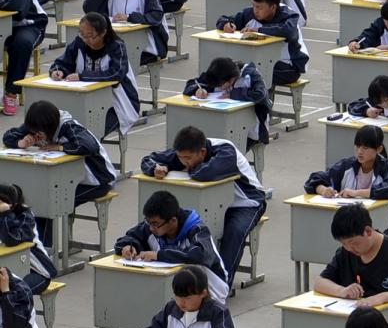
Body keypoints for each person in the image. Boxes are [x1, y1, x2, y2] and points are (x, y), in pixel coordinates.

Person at [141, 127, 266, 288]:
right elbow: (147, 159)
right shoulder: (185, 152)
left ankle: (223, 283)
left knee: (234, 231)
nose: (184, 162)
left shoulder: (225, 150)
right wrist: (155, 168)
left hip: (247, 202)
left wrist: (181, 167)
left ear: (202, 152)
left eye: (188, 158)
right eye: (180, 158)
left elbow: (205, 173)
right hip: (212, 200)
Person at [1, 99, 115, 240]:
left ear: (50, 126)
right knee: (40, 200)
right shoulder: (36, 125)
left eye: (39, 132)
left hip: (98, 181)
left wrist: (61, 147)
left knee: (48, 203)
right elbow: (8, 136)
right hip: (67, 180)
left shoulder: (69, 127)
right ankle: (39, 243)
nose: (36, 134)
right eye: (33, 130)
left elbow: (90, 146)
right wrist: (21, 142)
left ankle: (46, 247)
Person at [115, 191, 230, 301]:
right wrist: (127, 247)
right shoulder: (152, 227)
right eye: (149, 222)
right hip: (178, 289)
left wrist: (158, 255)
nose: (151, 228)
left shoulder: (198, 230)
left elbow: (198, 255)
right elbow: (129, 238)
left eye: (155, 224)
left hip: (212, 289)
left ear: (173, 221)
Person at [305, 124, 388, 239]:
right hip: (354, 226)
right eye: (357, 146)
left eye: (365, 148)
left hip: (387, 226)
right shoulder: (347, 165)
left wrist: (356, 193)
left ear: (379, 149)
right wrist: (323, 190)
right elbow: (313, 180)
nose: (360, 152)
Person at [49, 12, 140, 138]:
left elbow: (116, 74)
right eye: (83, 35)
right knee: (62, 129)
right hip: (83, 100)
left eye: (91, 36)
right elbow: (62, 62)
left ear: (103, 33)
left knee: (93, 132)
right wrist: (58, 71)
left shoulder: (116, 46)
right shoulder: (79, 43)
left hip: (116, 103)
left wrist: (82, 76)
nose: (87, 40)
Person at [215, 0, 309, 85]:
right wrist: (226, 24)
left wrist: (258, 30)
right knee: (229, 70)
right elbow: (224, 19)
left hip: (289, 66)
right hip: (260, 60)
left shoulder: (288, 16)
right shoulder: (250, 13)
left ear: (273, 7)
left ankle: (257, 98)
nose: (255, 10)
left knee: (247, 74)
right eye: (253, 5)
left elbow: (287, 31)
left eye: (259, 7)